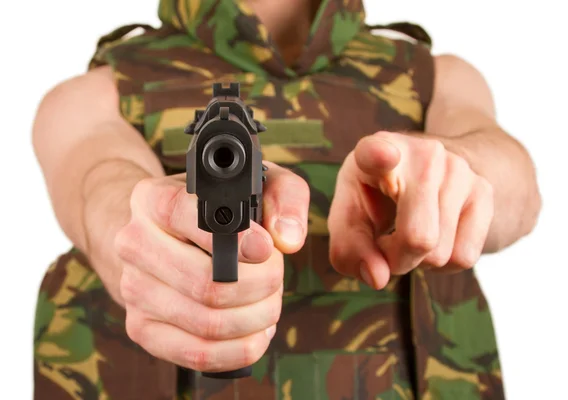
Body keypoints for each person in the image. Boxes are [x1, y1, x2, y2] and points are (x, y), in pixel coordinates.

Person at [31, 0, 541, 398]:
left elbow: (516, 189)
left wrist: (449, 170)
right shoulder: (98, 91)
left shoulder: (435, 76)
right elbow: (97, 184)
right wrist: (150, 227)